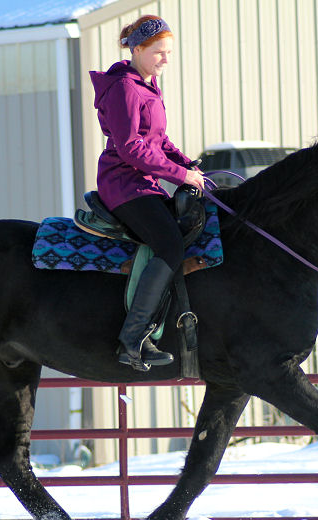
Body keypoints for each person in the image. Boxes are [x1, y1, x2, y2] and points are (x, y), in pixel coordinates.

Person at [89, 15, 205, 372]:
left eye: (169, 52)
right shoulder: (125, 88)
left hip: (144, 183)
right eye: (158, 52)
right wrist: (180, 174)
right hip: (124, 184)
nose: (165, 59)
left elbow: (159, 140)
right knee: (170, 245)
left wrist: (188, 164)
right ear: (137, 49)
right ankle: (133, 338)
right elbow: (130, 148)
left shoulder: (148, 84)